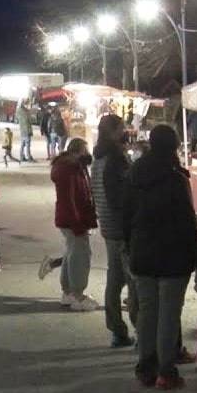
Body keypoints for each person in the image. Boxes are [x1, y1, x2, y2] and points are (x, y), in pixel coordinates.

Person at [122, 124, 197, 390]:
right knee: (168, 315)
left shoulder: (134, 174)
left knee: (147, 312)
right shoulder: (175, 178)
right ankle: (166, 371)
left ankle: (146, 366)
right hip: (172, 256)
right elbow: (186, 222)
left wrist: (129, 245)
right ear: (174, 147)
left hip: (142, 253)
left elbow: (125, 215)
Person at [91, 113, 135, 348]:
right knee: (134, 281)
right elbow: (120, 196)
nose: (125, 132)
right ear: (114, 131)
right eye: (122, 128)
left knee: (115, 279)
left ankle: (117, 329)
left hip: (107, 225)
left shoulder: (98, 157)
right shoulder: (116, 158)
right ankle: (140, 331)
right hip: (121, 227)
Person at [50, 138, 99, 311]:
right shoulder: (70, 169)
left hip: (71, 218)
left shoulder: (71, 167)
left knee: (72, 253)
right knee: (80, 255)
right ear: (79, 151)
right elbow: (69, 199)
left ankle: (68, 292)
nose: (88, 154)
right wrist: (78, 223)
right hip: (74, 219)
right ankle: (77, 294)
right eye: (86, 150)